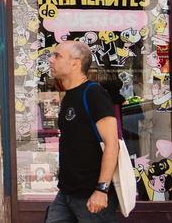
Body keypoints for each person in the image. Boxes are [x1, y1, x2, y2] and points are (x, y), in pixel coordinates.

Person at [46, 41, 120, 222]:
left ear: (75, 63)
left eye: (57, 56)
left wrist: (101, 190)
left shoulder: (93, 93)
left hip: (91, 195)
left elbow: (112, 144)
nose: (51, 60)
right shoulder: (68, 96)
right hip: (66, 193)